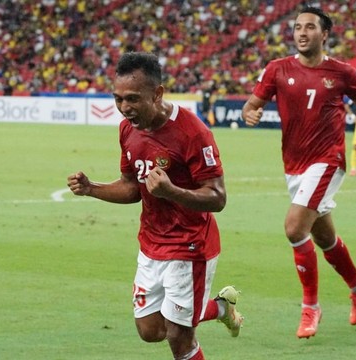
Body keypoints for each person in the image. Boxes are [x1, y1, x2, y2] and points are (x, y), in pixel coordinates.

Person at [67, 52, 243, 360]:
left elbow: (218, 197)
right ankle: (220, 308)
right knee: (151, 331)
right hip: (151, 244)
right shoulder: (128, 129)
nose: (125, 108)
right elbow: (132, 187)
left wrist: (171, 191)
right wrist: (91, 188)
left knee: (179, 338)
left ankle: (195, 316)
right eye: (118, 99)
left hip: (190, 247)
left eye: (133, 99)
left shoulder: (193, 133)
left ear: (157, 93)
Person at [241, 6, 356, 339]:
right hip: (294, 165)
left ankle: (311, 307)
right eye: (298, 27)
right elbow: (251, 104)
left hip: (328, 160)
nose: (302, 32)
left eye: (310, 27)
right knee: (324, 237)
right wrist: (250, 112)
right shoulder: (277, 69)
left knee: (294, 226)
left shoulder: (342, 72)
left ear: (324, 34)